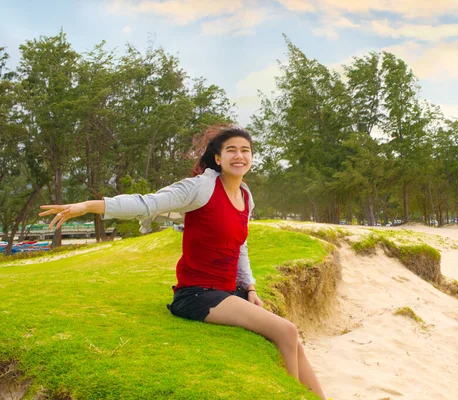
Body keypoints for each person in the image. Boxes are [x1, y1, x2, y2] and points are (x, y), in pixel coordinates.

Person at [39, 125, 326, 399]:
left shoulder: (245, 195)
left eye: (245, 150)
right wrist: (90, 206)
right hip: (196, 295)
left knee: (294, 343)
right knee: (285, 330)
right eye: (231, 150)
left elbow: (241, 246)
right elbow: (147, 203)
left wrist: (249, 286)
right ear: (218, 157)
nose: (239, 156)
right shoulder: (199, 188)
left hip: (227, 291)